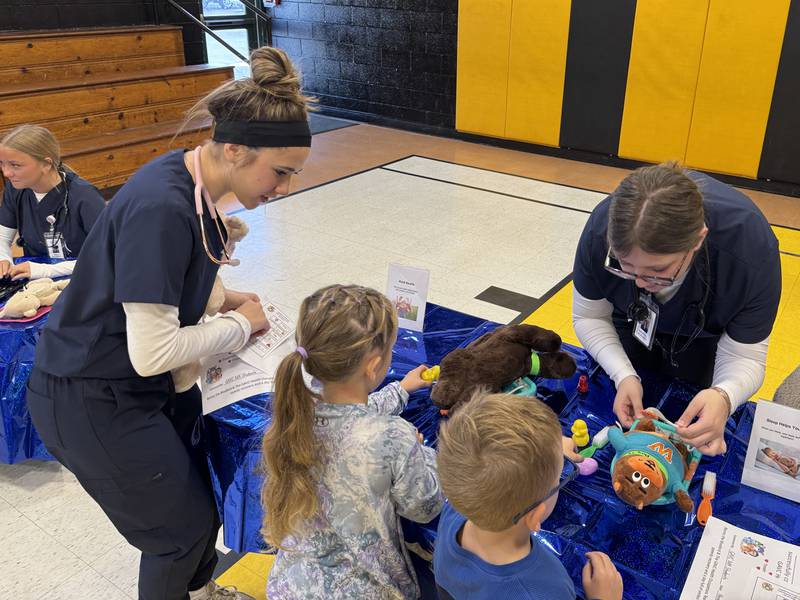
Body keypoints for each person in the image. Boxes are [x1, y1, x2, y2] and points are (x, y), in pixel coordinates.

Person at [25, 47, 311, 600]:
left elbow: (165, 281)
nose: (284, 188)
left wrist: (221, 299)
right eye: (280, 172)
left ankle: (200, 593)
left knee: (199, 511)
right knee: (177, 536)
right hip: (86, 396)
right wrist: (242, 325)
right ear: (234, 149)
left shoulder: (193, 180)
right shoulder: (163, 206)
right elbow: (152, 352)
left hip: (129, 384)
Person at [572, 162, 781, 456]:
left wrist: (725, 395)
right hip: (629, 322)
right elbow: (589, 316)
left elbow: (743, 355)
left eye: (658, 271)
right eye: (625, 267)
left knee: (698, 419)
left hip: (705, 337)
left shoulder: (750, 250)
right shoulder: (599, 231)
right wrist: (623, 374)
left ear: (698, 239)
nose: (642, 284)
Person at [262, 284, 442, 599]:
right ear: (374, 365)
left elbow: (348, 417)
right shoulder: (393, 436)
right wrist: (421, 452)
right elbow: (424, 507)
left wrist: (401, 389)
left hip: (291, 587)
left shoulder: (295, 415)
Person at [434, 392, 623, 600]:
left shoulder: (455, 508)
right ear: (534, 517)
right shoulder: (544, 590)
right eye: (559, 479)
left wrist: (550, 455)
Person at [0, 124, 105, 279]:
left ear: (47, 164)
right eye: (2, 164)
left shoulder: (85, 197)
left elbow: (105, 256)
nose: (6, 173)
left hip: (83, 279)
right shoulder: (15, 189)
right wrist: (4, 259)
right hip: (35, 279)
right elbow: (3, 238)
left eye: (15, 165)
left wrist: (45, 271)